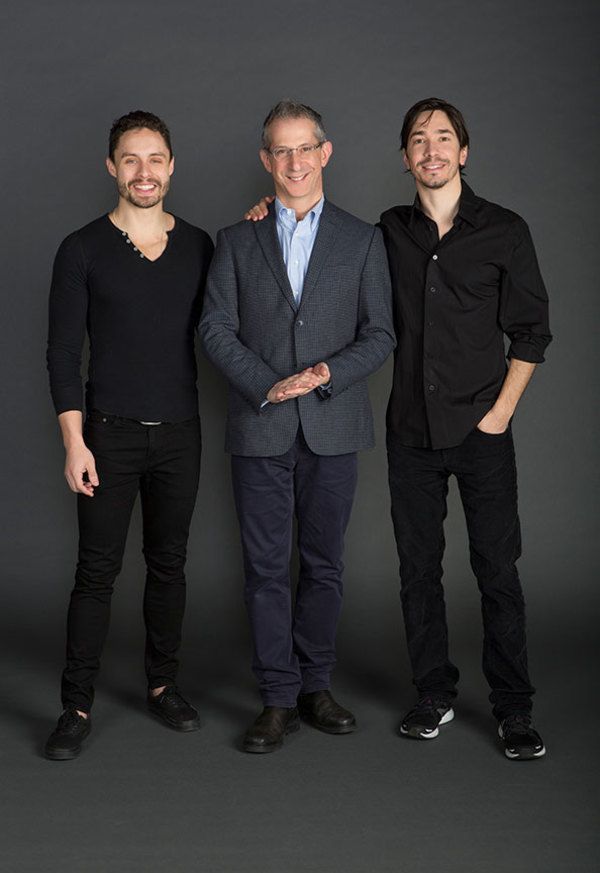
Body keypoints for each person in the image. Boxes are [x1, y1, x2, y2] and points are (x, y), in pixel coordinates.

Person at [245, 97, 551, 760]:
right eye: (419, 140)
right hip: (410, 430)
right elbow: (327, 244)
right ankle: (433, 695)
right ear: (406, 156)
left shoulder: (505, 230)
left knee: (496, 568)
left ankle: (514, 708)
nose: (432, 150)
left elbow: (532, 333)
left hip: (483, 427)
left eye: (444, 138)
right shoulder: (387, 231)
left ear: (463, 152)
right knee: (418, 571)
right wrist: (269, 217)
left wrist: (500, 413)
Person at [200, 100, 395, 753]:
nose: (293, 161)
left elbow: (380, 334)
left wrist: (323, 375)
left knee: (324, 564)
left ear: (325, 152)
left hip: (333, 426)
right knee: (263, 569)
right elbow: (214, 328)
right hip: (260, 427)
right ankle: (278, 697)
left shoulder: (363, 239)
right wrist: (265, 383)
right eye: (280, 151)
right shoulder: (236, 239)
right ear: (266, 160)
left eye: (304, 148)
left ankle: (316, 685)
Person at [45, 110, 214, 760]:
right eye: (130, 159)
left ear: (172, 166)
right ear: (111, 168)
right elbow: (63, 354)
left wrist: (264, 221)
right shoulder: (81, 249)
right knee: (96, 572)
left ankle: (162, 683)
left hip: (180, 434)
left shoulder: (200, 245)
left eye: (156, 159)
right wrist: (74, 441)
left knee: (169, 567)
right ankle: (75, 704)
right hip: (107, 436)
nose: (144, 171)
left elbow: (227, 318)